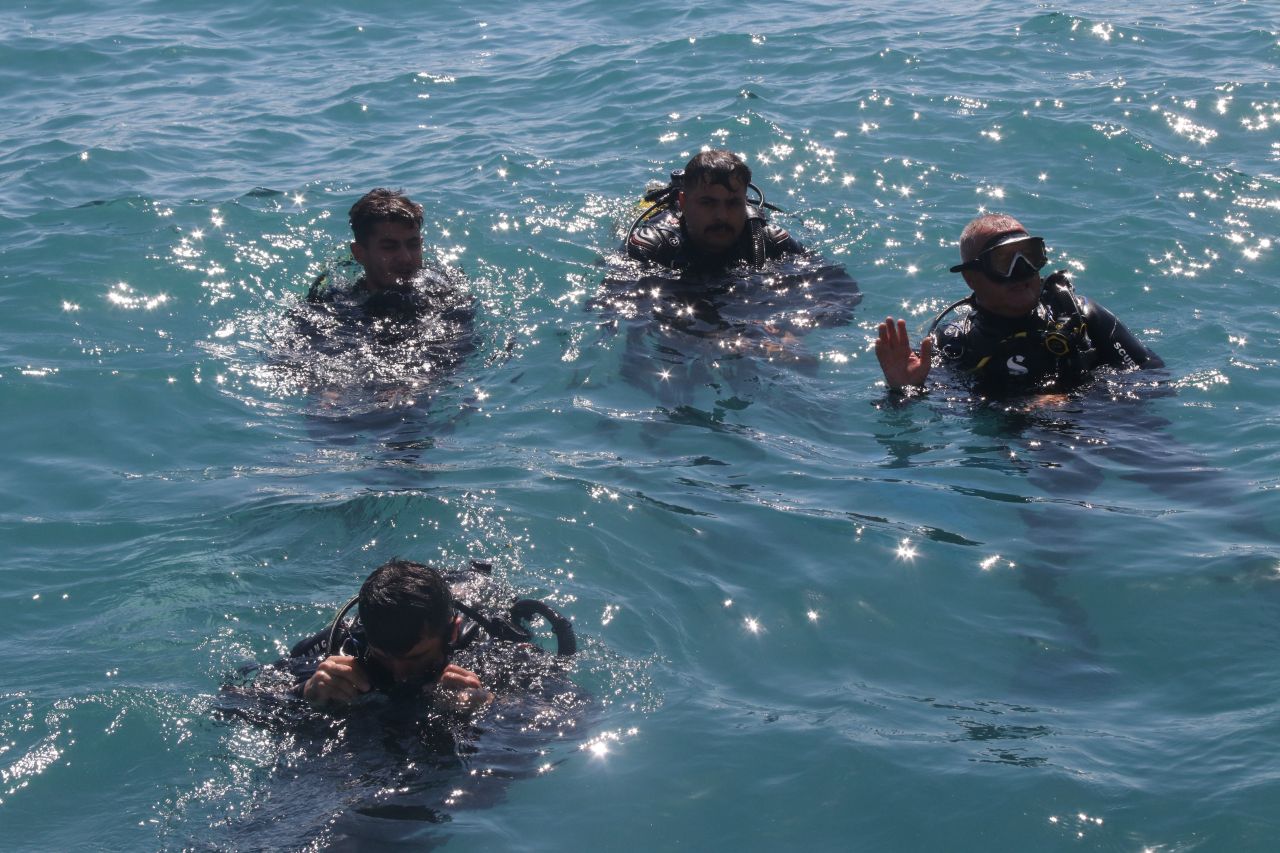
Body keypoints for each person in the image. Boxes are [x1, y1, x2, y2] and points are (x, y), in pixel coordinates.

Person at [875, 213, 1163, 396]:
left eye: (1029, 256)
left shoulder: (1080, 315)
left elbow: (1153, 378)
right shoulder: (955, 344)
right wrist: (905, 390)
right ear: (972, 278)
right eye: (1005, 261)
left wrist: (1084, 402)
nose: (1022, 271)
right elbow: (945, 419)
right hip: (1024, 447)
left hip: (1107, 424)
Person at [625, 149, 805, 272]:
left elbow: (828, 294)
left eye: (733, 203)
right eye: (708, 203)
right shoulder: (653, 245)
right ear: (684, 202)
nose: (722, 215)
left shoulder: (768, 240)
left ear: (745, 203)